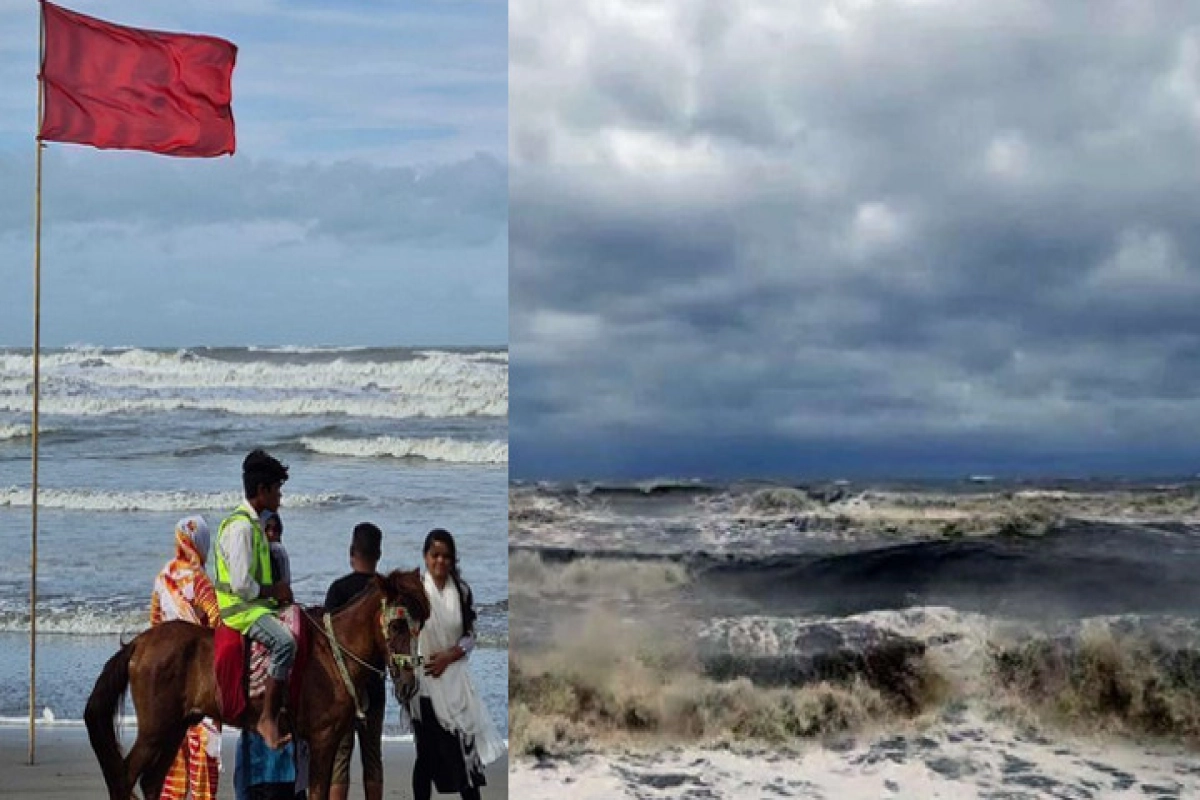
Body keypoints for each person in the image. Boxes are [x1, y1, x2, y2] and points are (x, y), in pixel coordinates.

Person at [410, 529, 506, 800]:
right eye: (435, 555)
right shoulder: (416, 590)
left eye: (446, 556)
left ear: (453, 560)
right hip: (425, 684)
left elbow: (471, 636)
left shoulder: (462, 591)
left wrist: (449, 656)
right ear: (426, 557)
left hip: (456, 681)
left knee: (466, 756)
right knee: (426, 758)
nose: (440, 561)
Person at [214, 449, 296, 749]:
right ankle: (268, 717)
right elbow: (242, 586)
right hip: (241, 610)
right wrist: (275, 591)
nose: (280, 498)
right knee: (285, 642)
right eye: (277, 490)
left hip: (257, 605)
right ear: (262, 491)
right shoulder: (241, 529)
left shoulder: (256, 525)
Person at [150, 515, 222, 800]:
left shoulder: (162, 577)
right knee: (203, 755)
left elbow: (155, 625)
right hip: (198, 679)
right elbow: (217, 623)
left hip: (167, 678)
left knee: (172, 754)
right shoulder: (199, 580)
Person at [324, 523, 386, 800]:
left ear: (352, 552)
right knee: (373, 757)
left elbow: (325, 644)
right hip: (374, 686)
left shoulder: (338, 590)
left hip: (342, 691)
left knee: (340, 758)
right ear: (379, 554)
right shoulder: (385, 593)